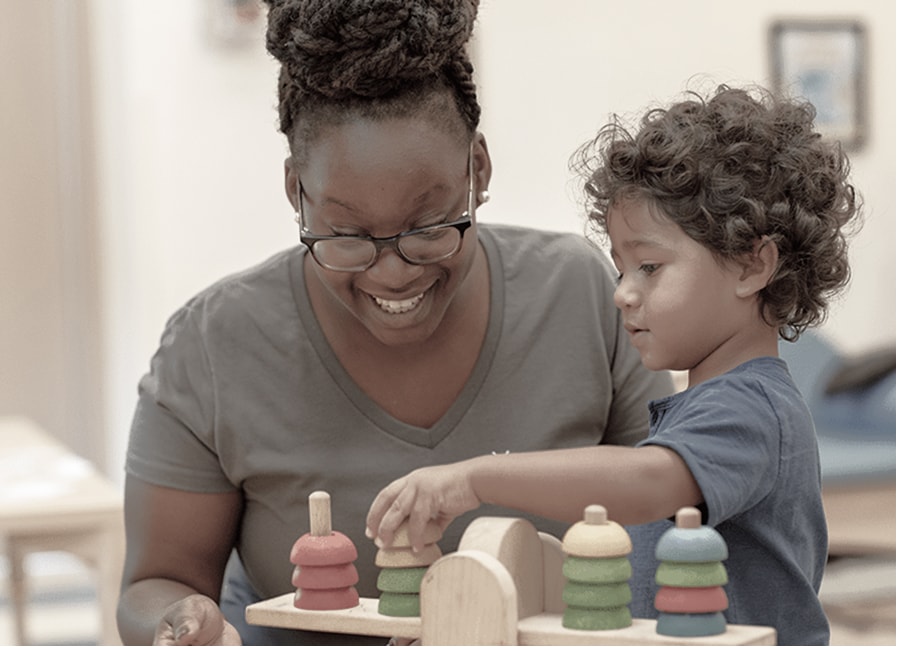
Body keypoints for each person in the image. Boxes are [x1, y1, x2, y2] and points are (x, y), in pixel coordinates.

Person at [115, 1, 672, 644]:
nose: (393, 273)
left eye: (429, 228)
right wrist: (179, 623)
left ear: (478, 171)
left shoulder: (582, 297)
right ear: (297, 192)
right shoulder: (212, 346)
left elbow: (664, 508)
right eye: (346, 235)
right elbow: (154, 582)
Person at [366, 85, 861, 645]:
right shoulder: (702, 408)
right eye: (620, 269)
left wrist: (475, 477)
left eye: (649, 266)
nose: (623, 293)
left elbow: (647, 482)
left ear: (752, 265)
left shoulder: (751, 407)